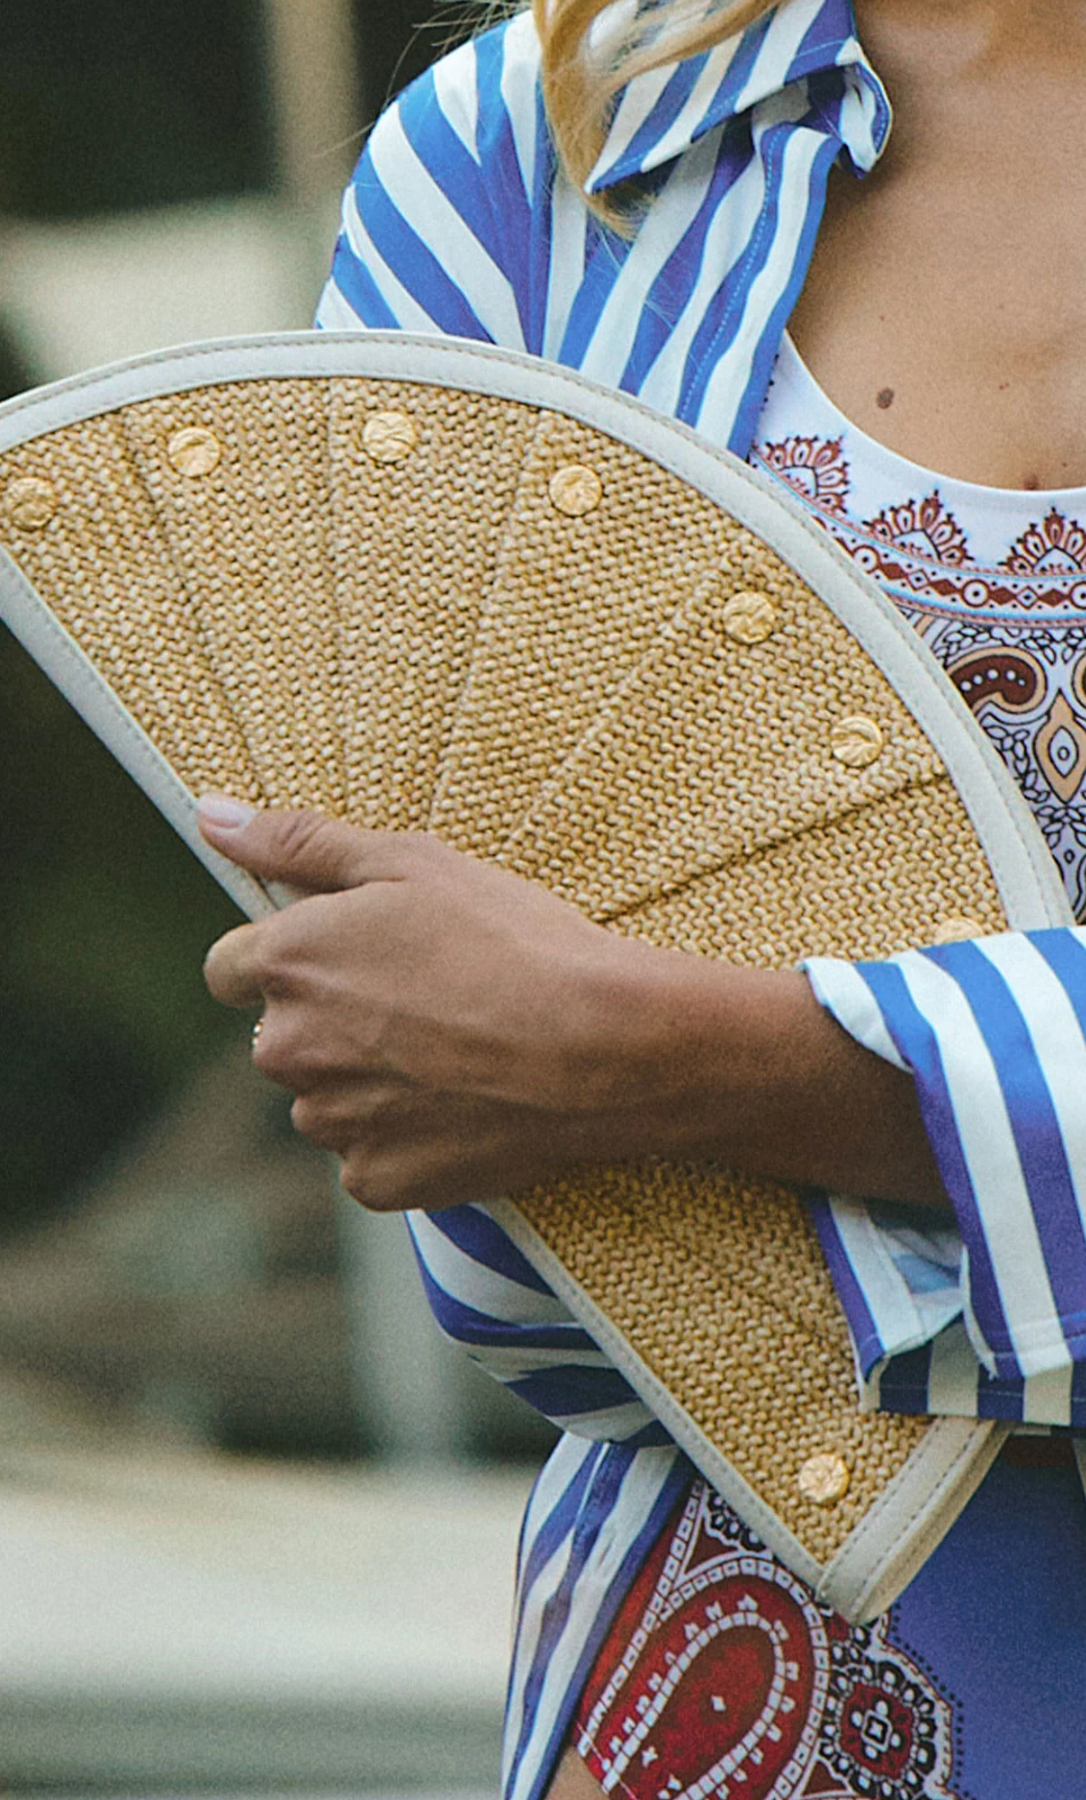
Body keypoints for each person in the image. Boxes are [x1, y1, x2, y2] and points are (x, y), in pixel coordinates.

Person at [198, 0, 1086, 1793]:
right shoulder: (541, 145)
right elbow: (441, 1085)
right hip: (722, 1683)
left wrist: (698, 1056)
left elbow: (551, 1041)